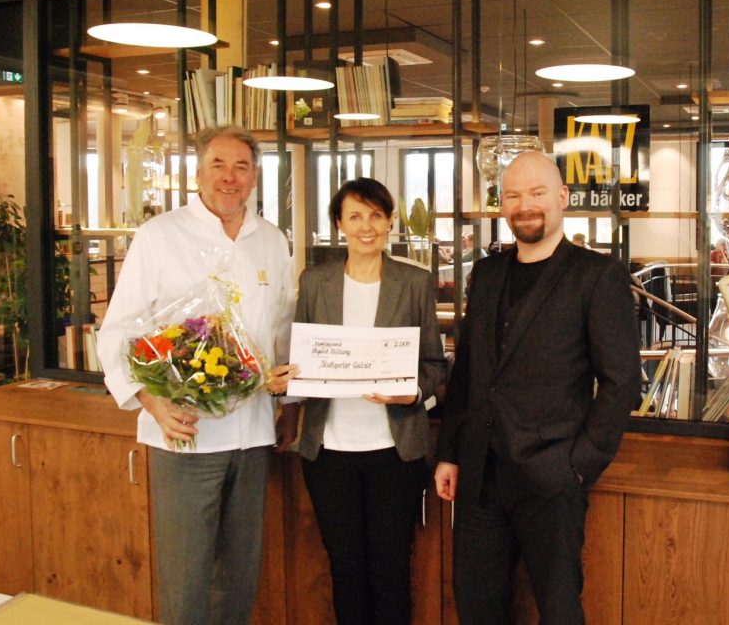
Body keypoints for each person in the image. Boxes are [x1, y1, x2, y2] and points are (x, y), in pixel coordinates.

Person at [97, 126, 299, 625]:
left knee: (239, 574)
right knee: (187, 580)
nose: (229, 178)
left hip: (253, 436)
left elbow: (282, 330)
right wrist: (150, 400)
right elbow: (118, 330)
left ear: (255, 177)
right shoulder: (160, 236)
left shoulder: (271, 240)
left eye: (241, 167)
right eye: (218, 166)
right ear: (198, 173)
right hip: (184, 434)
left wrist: (288, 402)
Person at [434, 152, 642, 625]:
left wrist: (578, 467)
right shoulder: (486, 275)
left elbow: (620, 380)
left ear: (563, 199)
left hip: (552, 478)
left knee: (559, 612)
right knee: (477, 608)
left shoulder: (596, 274)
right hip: (479, 477)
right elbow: (467, 372)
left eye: (536, 193)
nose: (524, 205)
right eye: (512, 196)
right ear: (501, 206)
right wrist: (449, 453)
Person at [293, 177, 446, 625]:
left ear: (390, 222)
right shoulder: (315, 281)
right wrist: (290, 375)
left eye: (376, 216)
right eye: (355, 216)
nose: (366, 226)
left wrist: (414, 391)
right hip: (328, 452)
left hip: (393, 451)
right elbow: (302, 356)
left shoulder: (415, 282)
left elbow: (435, 365)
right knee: (346, 569)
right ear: (339, 224)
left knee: (391, 570)